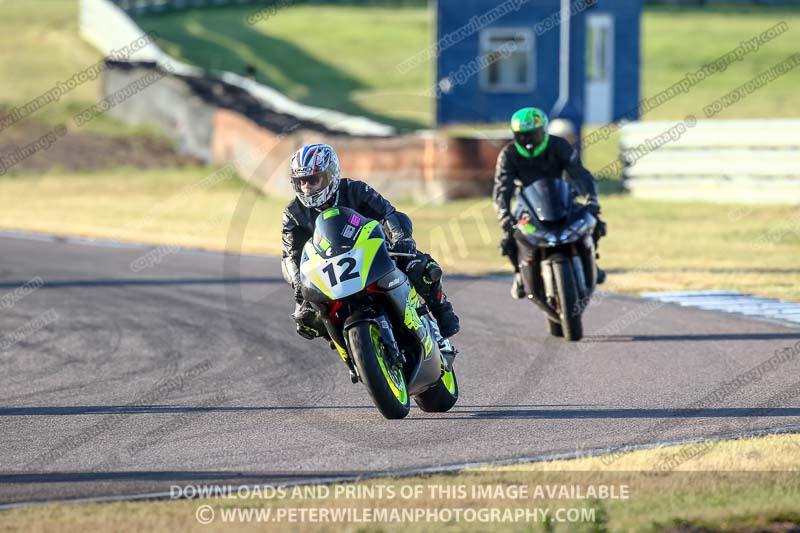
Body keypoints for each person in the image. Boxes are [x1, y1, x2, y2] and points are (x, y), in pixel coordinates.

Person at [281, 143, 460, 340]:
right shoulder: (293, 214)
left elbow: (388, 214)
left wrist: (401, 239)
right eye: (301, 182)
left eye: (312, 180)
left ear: (330, 174)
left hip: (372, 254)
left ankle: (442, 310)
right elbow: (291, 256)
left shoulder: (355, 189)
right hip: (329, 273)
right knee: (306, 319)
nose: (306, 188)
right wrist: (299, 286)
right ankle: (352, 359)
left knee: (420, 266)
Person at [492, 107, 607, 299]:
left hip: (560, 197)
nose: (527, 141)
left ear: (543, 131)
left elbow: (580, 173)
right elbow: (502, 188)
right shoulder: (508, 154)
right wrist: (504, 215)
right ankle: (519, 273)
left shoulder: (559, 146)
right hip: (526, 204)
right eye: (522, 136)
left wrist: (591, 199)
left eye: (532, 135)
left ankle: (592, 262)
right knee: (511, 235)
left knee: (590, 218)